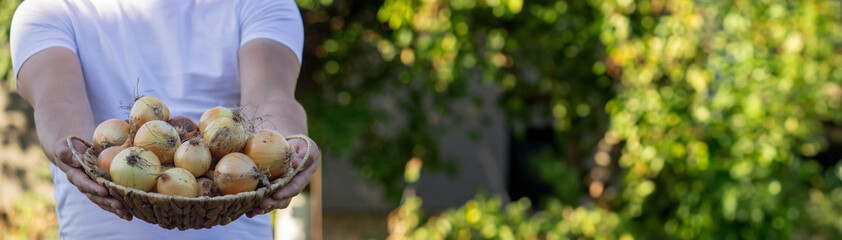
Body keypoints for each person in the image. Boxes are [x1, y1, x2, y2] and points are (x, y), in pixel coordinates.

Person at [10, 0, 321, 239]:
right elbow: (57, 101)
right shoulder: (47, 8)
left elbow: (273, 97)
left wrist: (287, 146)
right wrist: (72, 147)